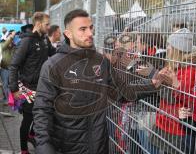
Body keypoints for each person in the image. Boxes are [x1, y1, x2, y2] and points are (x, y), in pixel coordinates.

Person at [33, 9, 166, 154]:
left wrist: (151, 85)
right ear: (68, 34)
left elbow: (122, 92)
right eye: (82, 29)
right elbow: (42, 110)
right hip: (66, 148)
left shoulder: (101, 62)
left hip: (99, 146)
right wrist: (44, 147)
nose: (90, 33)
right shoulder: (53, 66)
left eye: (91, 28)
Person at [8, 12, 56, 154]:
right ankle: (23, 150)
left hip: (43, 87)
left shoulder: (45, 39)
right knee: (28, 119)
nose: (49, 27)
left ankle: (32, 135)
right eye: (47, 24)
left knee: (45, 114)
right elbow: (13, 65)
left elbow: (55, 54)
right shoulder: (26, 41)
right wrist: (14, 89)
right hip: (28, 88)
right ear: (38, 23)